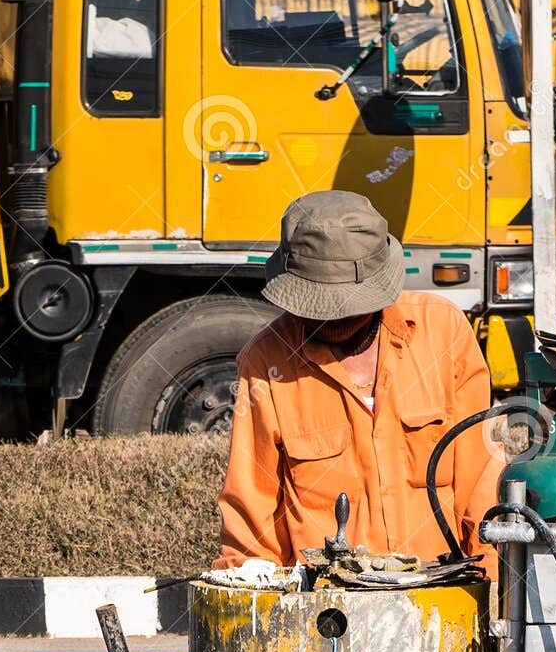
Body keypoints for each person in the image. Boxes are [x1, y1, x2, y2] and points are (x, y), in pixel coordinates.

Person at [215, 190, 502, 572]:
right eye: (319, 304)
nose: (334, 316)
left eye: (349, 304)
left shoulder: (444, 331)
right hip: (327, 611)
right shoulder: (265, 362)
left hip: (441, 593)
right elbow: (252, 521)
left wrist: (492, 590)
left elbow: (480, 483)